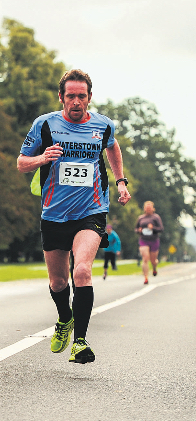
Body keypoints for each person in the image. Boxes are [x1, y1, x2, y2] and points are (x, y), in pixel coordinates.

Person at [17, 69, 131, 364]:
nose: (76, 101)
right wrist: (43, 158)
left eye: (82, 96)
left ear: (90, 97)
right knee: (58, 282)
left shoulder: (103, 125)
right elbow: (21, 163)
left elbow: (112, 146)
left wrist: (120, 181)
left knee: (81, 271)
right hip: (54, 213)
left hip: (91, 210)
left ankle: (80, 340)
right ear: (61, 97)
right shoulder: (45, 124)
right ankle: (64, 318)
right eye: (71, 96)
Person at [136, 201, 163, 284]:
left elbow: (161, 229)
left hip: (154, 240)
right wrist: (139, 230)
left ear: (153, 209)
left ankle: (154, 268)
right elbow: (136, 229)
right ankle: (146, 277)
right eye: (147, 208)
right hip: (143, 240)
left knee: (153, 260)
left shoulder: (156, 217)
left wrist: (153, 228)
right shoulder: (141, 218)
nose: (148, 209)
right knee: (145, 258)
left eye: (149, 208)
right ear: (144, 209)